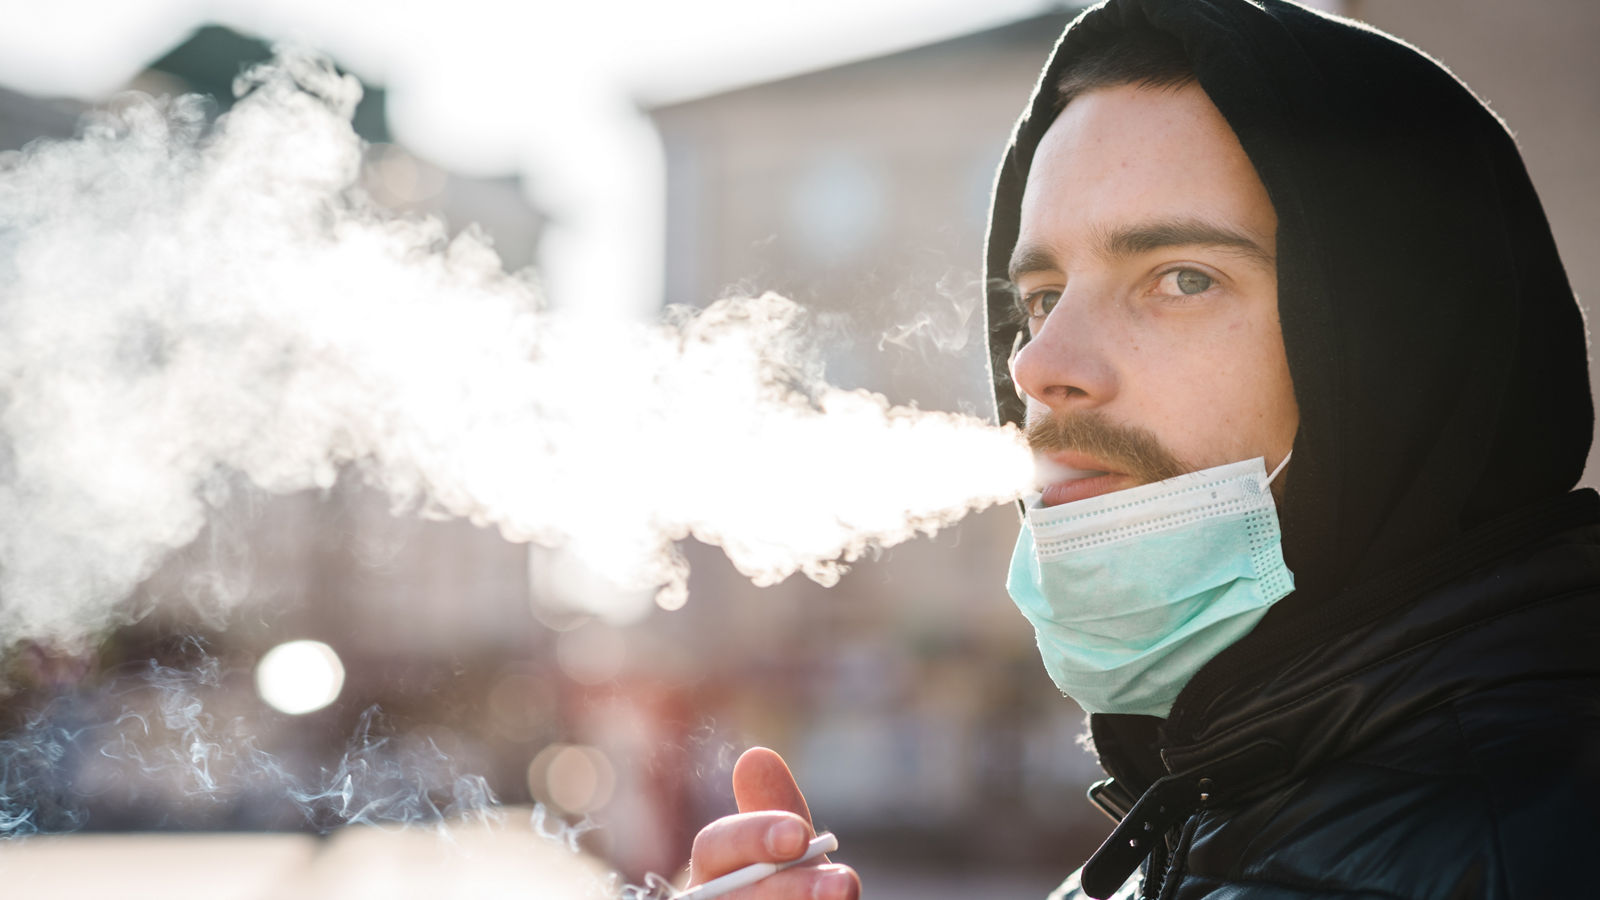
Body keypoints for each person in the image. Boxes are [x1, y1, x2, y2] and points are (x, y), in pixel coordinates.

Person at [683, 0, 1600, 897]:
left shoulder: (1523, 855)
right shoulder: (1178, 833)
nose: (1040, 365)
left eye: (1182, 278)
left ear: (1407, 354)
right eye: (1041, 299)